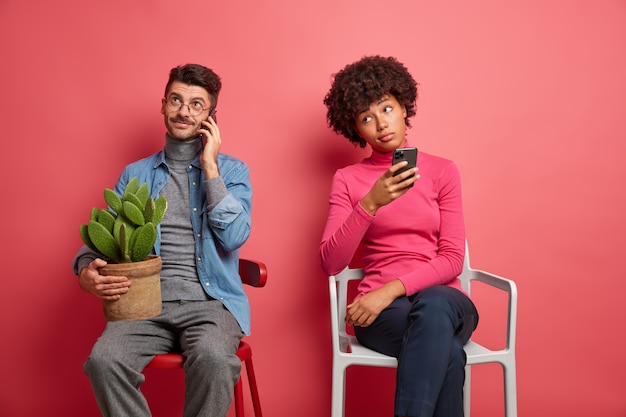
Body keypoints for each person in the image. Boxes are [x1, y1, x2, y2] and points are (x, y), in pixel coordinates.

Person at [72, 63, 252, 417]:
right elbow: (105, 235)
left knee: (215, 358)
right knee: (103, 361)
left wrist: (211, 167)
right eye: (176, 100)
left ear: (211, 116)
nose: (184, 111)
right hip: (144, 306)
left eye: (196, 104)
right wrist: (84, 269)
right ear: (163, 105)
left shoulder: (232, 171)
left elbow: (234, 237)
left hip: (210, 304)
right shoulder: (135, 174)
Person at [320, 55, 479, 417]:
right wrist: (370, 204)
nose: (381, 124)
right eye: (366, 118)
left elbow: (453, 257)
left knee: (435, 304)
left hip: (443, 305)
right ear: (355, 129)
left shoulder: (442, 171)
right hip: (381, 316)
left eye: (387, 109)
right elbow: (331, 262)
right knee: (447, 353)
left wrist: (388, 290)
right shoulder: (348, 180)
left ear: (404, 107)